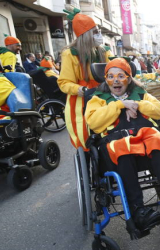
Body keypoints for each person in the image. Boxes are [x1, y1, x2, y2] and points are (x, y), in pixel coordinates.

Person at [84, 58, 160, 230]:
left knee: (157, 138)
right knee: (122, 146)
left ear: (129, 78)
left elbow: (159, 111)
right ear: (106, 79)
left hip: (146, 143)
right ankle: (137, 209)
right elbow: (93, 122)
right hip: (119, 146)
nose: (115, 80)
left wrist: (136, 104)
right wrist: (120, 105)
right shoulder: (97, 99)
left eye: (121, 76)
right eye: (111, 76)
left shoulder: (140, 93)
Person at [58, 8, 113, 150]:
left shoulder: (103, 51)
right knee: (85, 135)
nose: (99, 35)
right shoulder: (69, 54)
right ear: (86, 34)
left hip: (103, 94)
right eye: (95, 32)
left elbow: (112, 70)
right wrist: (80, 89)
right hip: (81, 99)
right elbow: (64, 82)